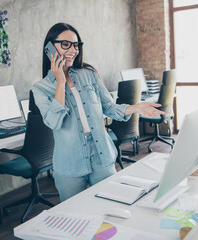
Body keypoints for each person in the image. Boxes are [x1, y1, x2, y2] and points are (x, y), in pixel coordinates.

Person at [32, 23, 165, 201]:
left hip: (102, 156)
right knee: (75, 217)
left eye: (76, 45)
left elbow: (109, 107)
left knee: (110, 207)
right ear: (49, 47)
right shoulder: (40, 88)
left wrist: (136, 107)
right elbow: (54, 122)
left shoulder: (89, 74)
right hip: (69, 164)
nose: (73, 50)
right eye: (66, 44)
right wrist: (60, 82)